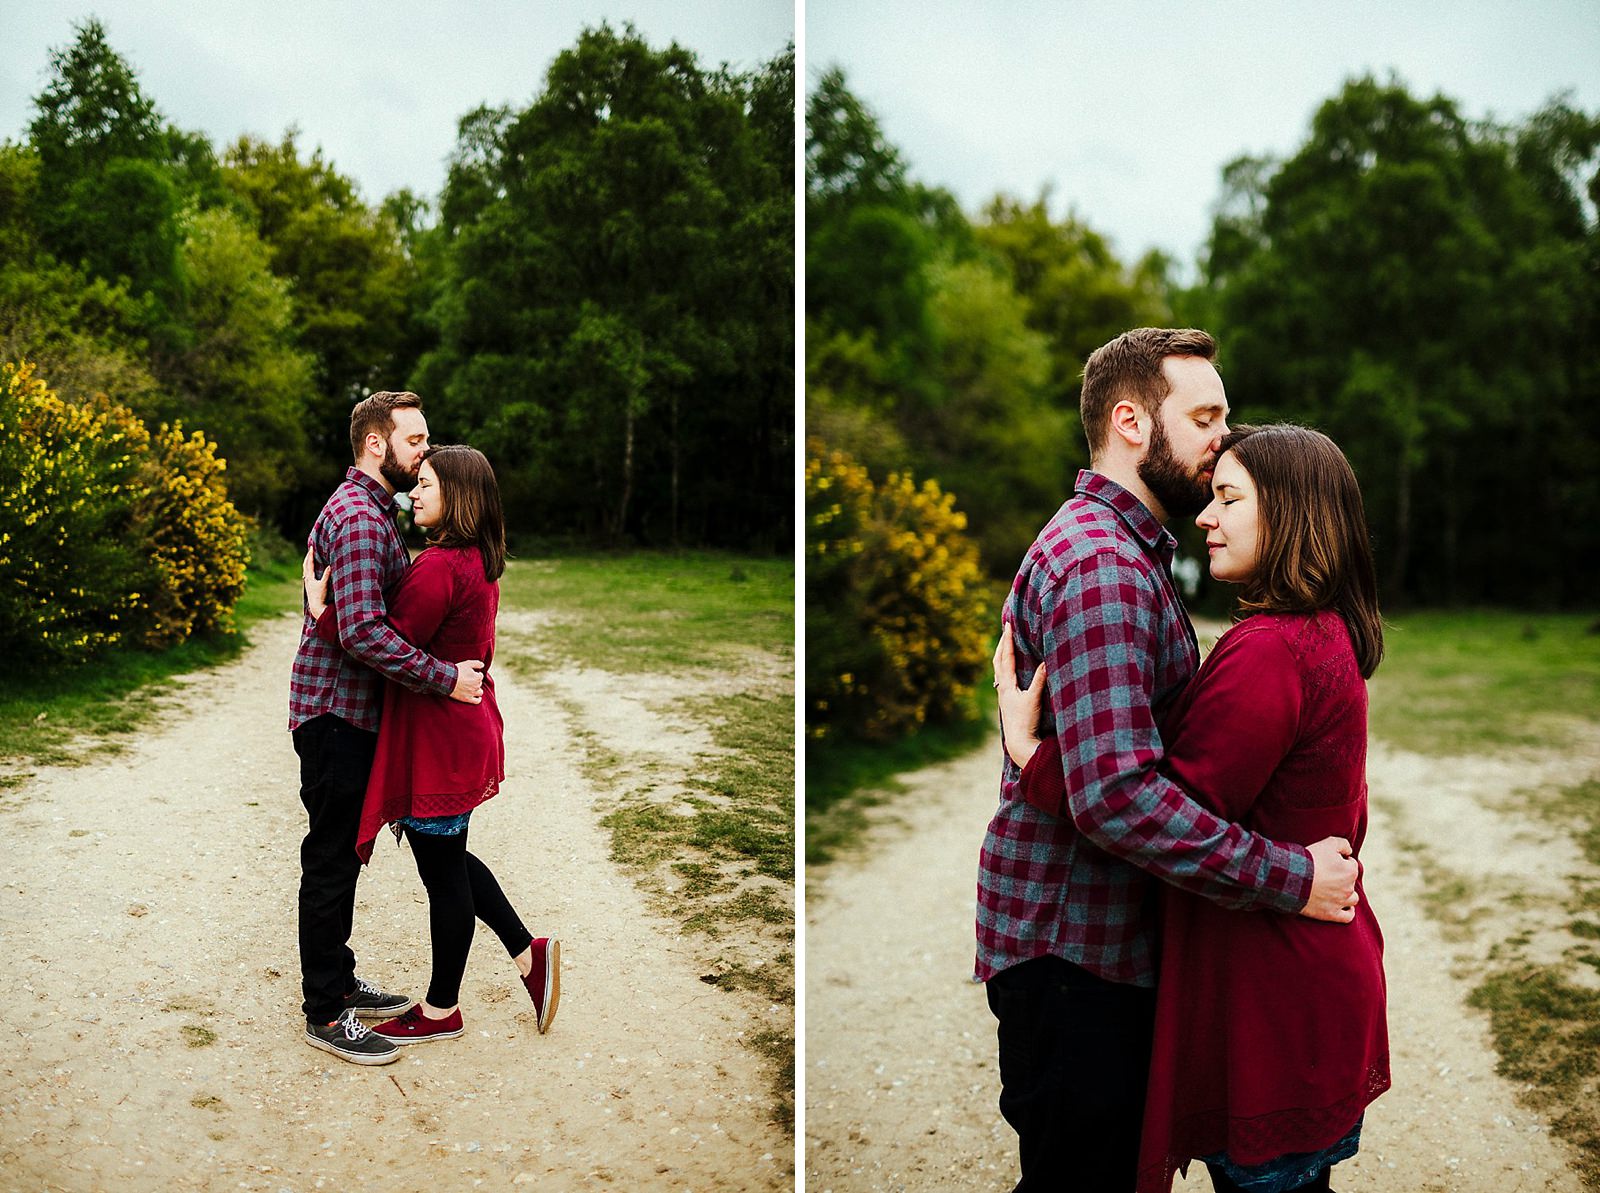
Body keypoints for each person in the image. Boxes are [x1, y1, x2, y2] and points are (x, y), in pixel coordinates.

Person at [974, 328, 1363, 1191]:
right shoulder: (1102, 566)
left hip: (1099, 945)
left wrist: (1033, 751)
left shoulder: (1132, 554)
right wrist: (1291, 877)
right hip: (1076, 949)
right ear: (1131, 421)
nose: (1224, 434)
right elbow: (1119, 796)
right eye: (1204, 416)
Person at [304, 444, 559, 1045]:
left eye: (426, 484)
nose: (413, 494)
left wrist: (323, 609)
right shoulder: (476, 559)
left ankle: (443, 1009)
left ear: (458, 497)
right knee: (447, 861)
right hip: (457, 731)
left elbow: (382, 635)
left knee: (443, 874)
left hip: (440, 741)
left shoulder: (441, 566)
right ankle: (529, 953)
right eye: (415, 482)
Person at [289, 390, 485, 1067]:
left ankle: (338, 978)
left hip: (352, 714)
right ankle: (325, 1010)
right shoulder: (360, 517)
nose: (424, 450)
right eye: (414, 439)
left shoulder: (373, 514)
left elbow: (364, 611)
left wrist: (321, 607)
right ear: (376, 443)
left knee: (345, 855)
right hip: (335, 715)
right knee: (332, 860)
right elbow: (369, 632)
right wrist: (445, 677)